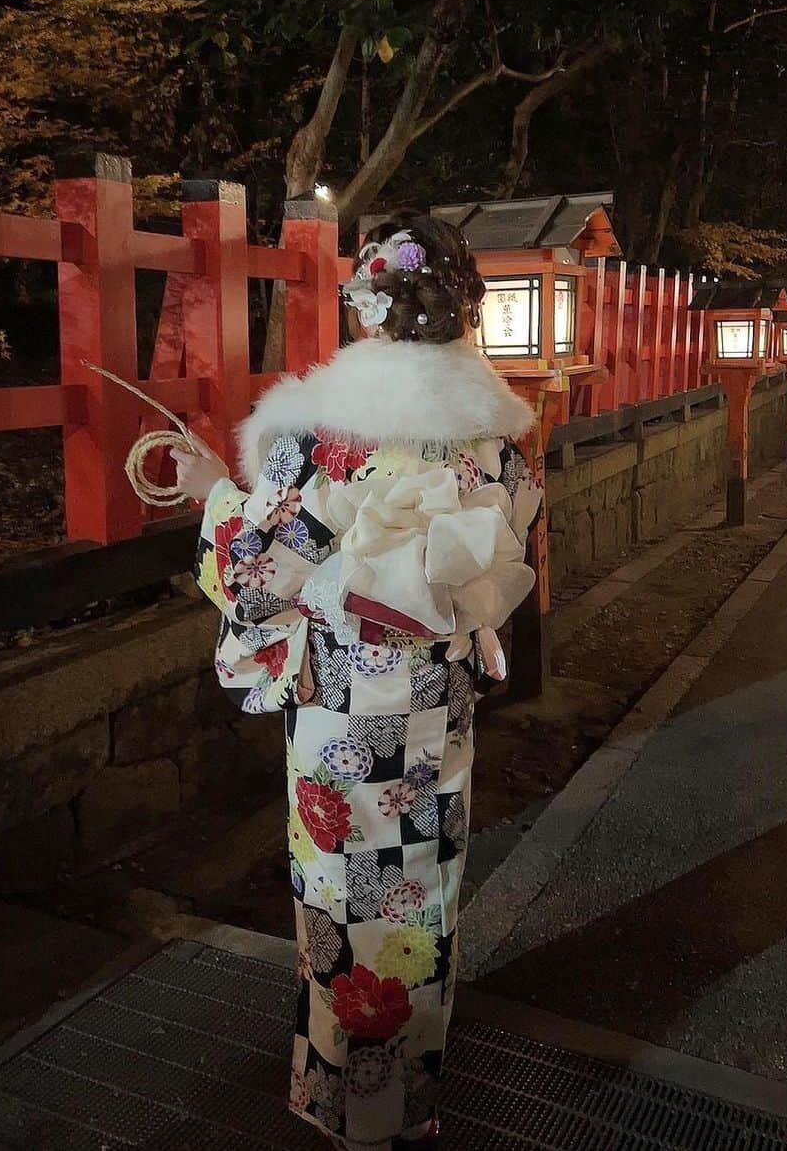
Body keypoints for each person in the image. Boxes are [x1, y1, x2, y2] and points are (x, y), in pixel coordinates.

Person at [173, 217, 543, 1150]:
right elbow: (498, 565)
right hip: (433, 706)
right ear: (464, 309)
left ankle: (345, 1100)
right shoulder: (493, 442)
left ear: (367, 308)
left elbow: (256, 576)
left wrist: (216, 491)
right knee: (420, 889)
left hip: (339, 709)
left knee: (342, 892)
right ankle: (406, 1100)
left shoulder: (322, 438)